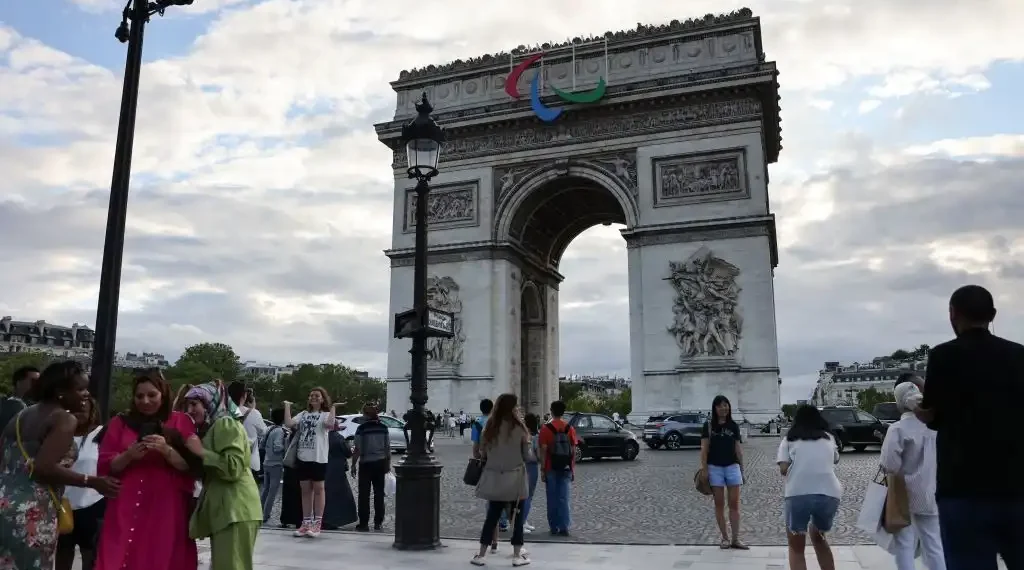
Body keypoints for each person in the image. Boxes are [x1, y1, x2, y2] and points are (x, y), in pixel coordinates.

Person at [915, 284, 1024, 570]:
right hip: (1016, 483)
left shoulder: (943, 356)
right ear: (993, 314)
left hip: (962, 485)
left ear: (953, 314)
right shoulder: (1019, 355)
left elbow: (935, 416)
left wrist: (921, 411)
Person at [0, 361, 119, 570]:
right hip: (32, 510)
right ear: (60, 392)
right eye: (80, 389)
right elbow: (43, 468)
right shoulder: (64, 419)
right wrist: (92, 481)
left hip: (4, 502)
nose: (86, 395)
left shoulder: (22, 415)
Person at [95, 369, 198, 570]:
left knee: (161, 553)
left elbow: (191, 465)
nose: (145, 401)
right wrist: (129, 455)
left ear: (163, 394)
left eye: (152, 395)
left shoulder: (180, 422)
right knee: (118, 552)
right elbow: (107, 465)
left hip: (166, 504)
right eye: (139, 396)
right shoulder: (119, 423)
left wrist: (166, 450)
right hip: (126, 501)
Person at [183, 381, 262, 570]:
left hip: (235, 509)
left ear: (209, 403)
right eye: (188, 405)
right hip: (230, 512)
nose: (190, 410)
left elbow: (233, 468)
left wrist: (201, 452)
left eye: (195, 404)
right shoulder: (214, 426)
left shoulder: (225, 423)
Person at [880, 380, 945, 570]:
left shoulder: (898, 429)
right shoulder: (935, 428)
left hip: (903, 493)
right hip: (931, 489)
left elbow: (889, 464)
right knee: (933, 543)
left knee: (904, 544)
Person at [776, 405, 841, 570]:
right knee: (820, 539)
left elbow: (783, 469)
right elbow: (835, 459)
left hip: (798, 493)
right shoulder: (829, 437)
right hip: (829, 494)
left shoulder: (789, 438)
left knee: (796, 547)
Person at [471, 393, 531, 567]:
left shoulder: (489, 427)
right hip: (516, 478)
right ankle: (516, 555)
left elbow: (483, 454)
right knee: (517, 518)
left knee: (491, 518)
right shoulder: (520, 428)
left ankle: (481, 554)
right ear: (513, 408)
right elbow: (527, 455)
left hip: (495, 477)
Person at [55, 396, 107, 570]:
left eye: (82, 410)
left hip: (93, 504)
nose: (77, 414)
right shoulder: (59, 433)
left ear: (92, 411)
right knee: (62, 553)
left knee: (90, 556)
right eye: (73, 409)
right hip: (62, 504)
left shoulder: (102, 433)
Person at [283, 388, 342, 537]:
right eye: (311, 395)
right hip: (303, 456)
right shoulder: (303, 414)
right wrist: (287, 407)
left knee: (319, 489)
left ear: (322, 399)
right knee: (305, 490)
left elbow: (330, 425)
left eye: (317, 395)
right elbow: (289, 423)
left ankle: (317, 524)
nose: (313, 398)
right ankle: (306, 522)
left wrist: (333, 408)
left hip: (318, 457)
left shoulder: (325, 415)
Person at [700, 394, 748, 549]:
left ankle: (735, 539)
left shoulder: (733, 425)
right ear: (715, 408)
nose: (723, 408)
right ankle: (725, 538)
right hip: (715, 468)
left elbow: (738, 449)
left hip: (732, 467)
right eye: (720, 405)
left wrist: (742, 469)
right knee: (719, 505)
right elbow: (704, 450)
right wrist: (705, 470)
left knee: (735, 505)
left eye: (726, 404)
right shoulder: (708, 426)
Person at [539, 399, 576, 536]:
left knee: (552, 497)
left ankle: (553, 526)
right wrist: (572, 468)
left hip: (550, 466)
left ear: (551, 411)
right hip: (565, 467)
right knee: (564, 497)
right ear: (563, 412)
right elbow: (572, 450)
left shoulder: (545, 429)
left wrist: (542, 469)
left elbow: (543, 450)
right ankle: (564, 526)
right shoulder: (569, 428)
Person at [351, 403, 390, 531]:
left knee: (364, 495)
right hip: (380, 463)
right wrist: (387, 464)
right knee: (379, 494)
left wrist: (353, 465)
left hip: (366, 464)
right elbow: (387, 448)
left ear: (366, 415)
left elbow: (357, 449)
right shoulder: (383, 428)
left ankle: (364, 523)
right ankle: (378, 522)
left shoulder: (362, 429)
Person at [228, 382, 266, 484]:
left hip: (229, 462)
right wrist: (253, 409)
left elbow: (236, 413)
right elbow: (264, 432)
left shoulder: (225, 412)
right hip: (250, 462)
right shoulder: (253, 413)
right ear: (244, 395)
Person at [322, 429, 357, 530]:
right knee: (340, 496)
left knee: (326, 494)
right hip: (337, 470)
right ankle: (335, 520)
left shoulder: (322, 436)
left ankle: (324, 519)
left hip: (324, 468)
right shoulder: (338, 438)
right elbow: (348, 453)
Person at [260, 408, 287, 524]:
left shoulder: (268, 428)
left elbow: (262, 444)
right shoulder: (280, 431)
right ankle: (266, 515)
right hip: (275, 463)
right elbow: (277, 447)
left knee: (265, 489)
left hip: (266, 462)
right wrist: (285, 445)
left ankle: (259, 511)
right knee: (272, 491)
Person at [0, 365, 40, 432]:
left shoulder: (35, 404)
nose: (37, 385)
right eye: (33, 381)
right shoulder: (13, 405)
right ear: (19, 383)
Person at [519, 413, 541, 534]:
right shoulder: (536, 437)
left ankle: (524, 519)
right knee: (528, 495)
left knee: (524, 495)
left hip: (522, 465)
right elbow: (538, 454)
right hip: (531, 466)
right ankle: (521, 522)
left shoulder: (522, 434)